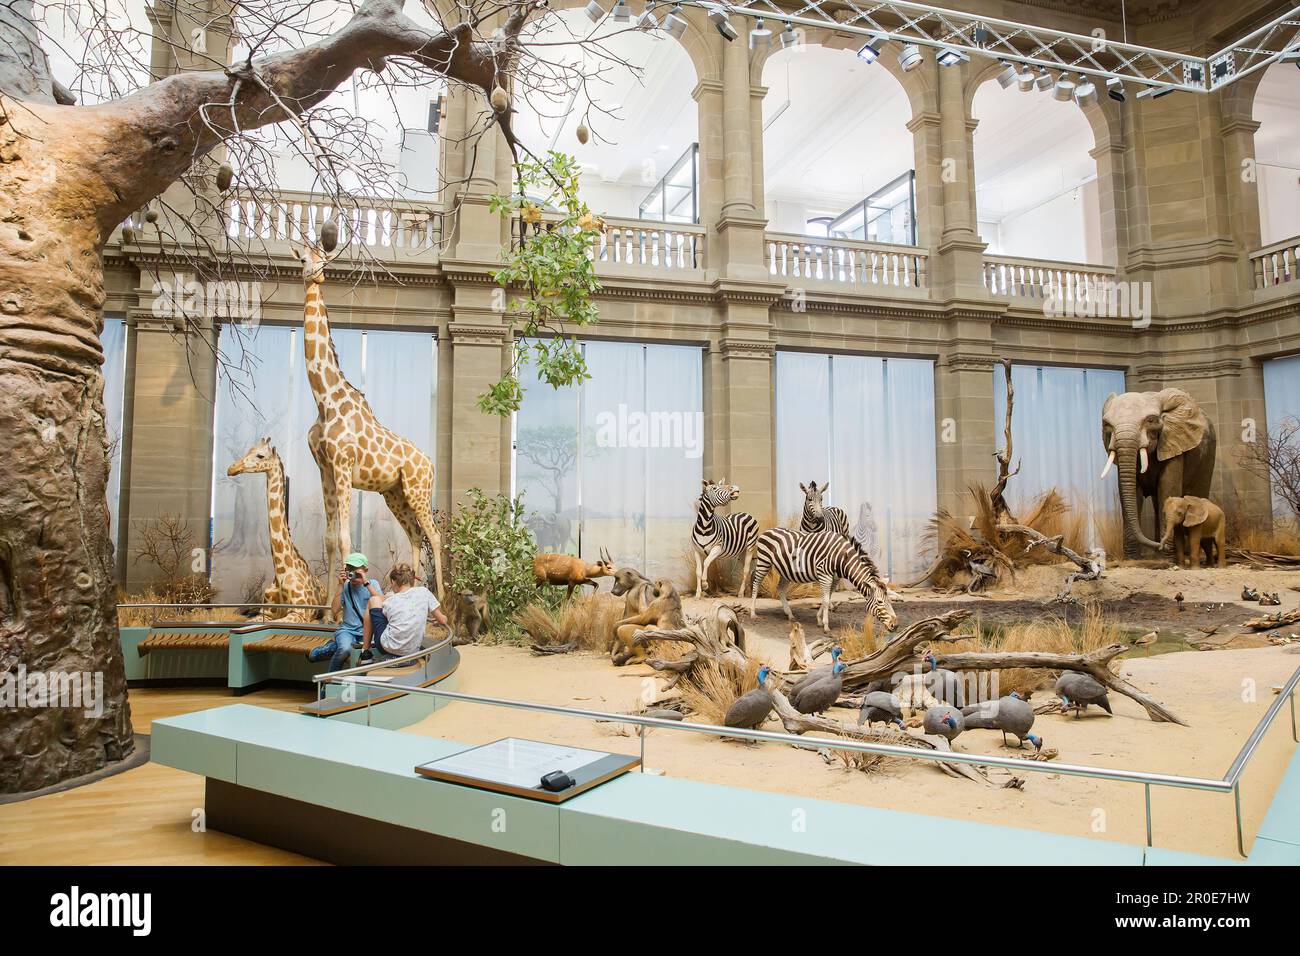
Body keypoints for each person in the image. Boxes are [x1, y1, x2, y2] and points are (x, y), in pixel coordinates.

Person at [308, 552, 382, 672]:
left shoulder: (372, 584)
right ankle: (329, 682)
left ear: (365, 570)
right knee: (345, 650)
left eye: (357, 572)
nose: (353, 575)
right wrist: (340, 585)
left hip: (368, 633)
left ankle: (330, 648)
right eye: (350, 571)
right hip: (348, 630)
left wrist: (366, 583)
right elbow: (335, 610)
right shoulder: (346, 586)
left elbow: (382, 602)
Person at [359, 563, 448, 661]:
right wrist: (438, 618)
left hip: (387, 648)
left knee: (373, 600)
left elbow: (379, 604)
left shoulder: (391, 600)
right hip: (412, 650)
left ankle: (365, 652)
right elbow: (442, 621)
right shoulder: (424, 592)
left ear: (393, 582)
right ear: (412, 580)